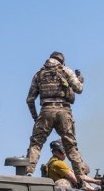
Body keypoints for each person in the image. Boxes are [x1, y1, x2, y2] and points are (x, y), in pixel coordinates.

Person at [24, 51, 87, 180]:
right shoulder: (66, 71)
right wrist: (80, 80)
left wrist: (36, 117)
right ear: (62, 61)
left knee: (36, 144)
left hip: (45, 111)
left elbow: (30, 99)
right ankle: (81, 178)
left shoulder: (39, 74)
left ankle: (28, 172)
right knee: (70, 146)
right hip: (64, 111)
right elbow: (79, 89)